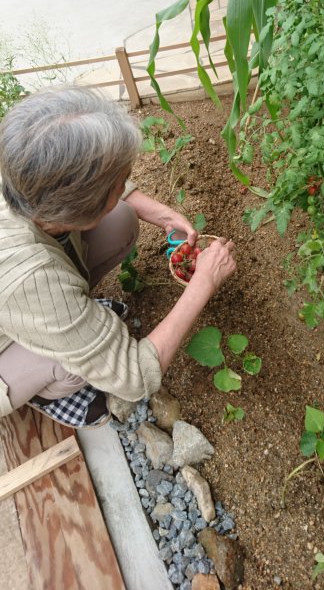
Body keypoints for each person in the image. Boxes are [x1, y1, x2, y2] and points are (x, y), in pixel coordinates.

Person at [0, 85, 236, 428]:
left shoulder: (18, 168)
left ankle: (75, 327)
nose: (127, 183)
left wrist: (163, 216)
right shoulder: (32, 279)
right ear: (74, 210)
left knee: (122, 219)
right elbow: (135, 377)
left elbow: (86, 179)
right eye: (121, 181)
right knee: (71, 368)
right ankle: (39, 389)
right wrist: (203, 283)